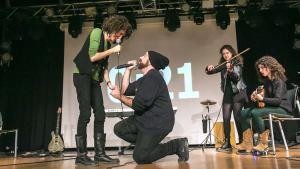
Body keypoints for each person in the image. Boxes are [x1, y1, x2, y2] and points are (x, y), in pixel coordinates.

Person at [110, 51, 189, 164]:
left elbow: (138, 105)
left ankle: (176, 145)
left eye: (144, 55)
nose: (140, 57)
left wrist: (119, 97)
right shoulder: (145, 78)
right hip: (144, 120)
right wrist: (128, 70)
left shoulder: (153, 78)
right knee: (120, 129)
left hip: (157, 123)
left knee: (140, 157)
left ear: (150, 61)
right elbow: (125, 90)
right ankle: (147, 145)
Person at [73, 15, 132, 165]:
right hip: (82, 75)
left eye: (121, 36)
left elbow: (103, 66)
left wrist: (109, 82)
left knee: (100, 113)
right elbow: (93, 57)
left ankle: (100, 154)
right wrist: (113, 50)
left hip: (94, 79)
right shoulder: (97, 32)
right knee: (85, 113)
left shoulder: (108, 45)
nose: (119, 37)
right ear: (113, 27)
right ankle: (81, 155)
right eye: (119, 33)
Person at [236, 56, 292, 153]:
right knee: (243, 113)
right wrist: (255, 98)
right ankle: (247, 143)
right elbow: (264, 101)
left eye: (262, 68)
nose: (261, 70)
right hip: (272, 107)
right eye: (259, 69)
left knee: (256, 112)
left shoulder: (279, 81)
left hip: (282, 108)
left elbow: (277, 101)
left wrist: (262, 98)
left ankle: (263, 143)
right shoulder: (267, 82)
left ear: (270, 67)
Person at [206, 45, 248, 152]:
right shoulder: (224, 64)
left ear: (232, 53)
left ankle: (243, 142)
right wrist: (209, 68)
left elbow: (237, 77)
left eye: (227, 53)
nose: (225, 55)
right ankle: (227, 143)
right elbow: (212, 71)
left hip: (238, 93)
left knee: (238, 118)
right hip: (228, 94)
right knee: (226, 118)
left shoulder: (237, 63)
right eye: (224, 54)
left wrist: (230, 70)